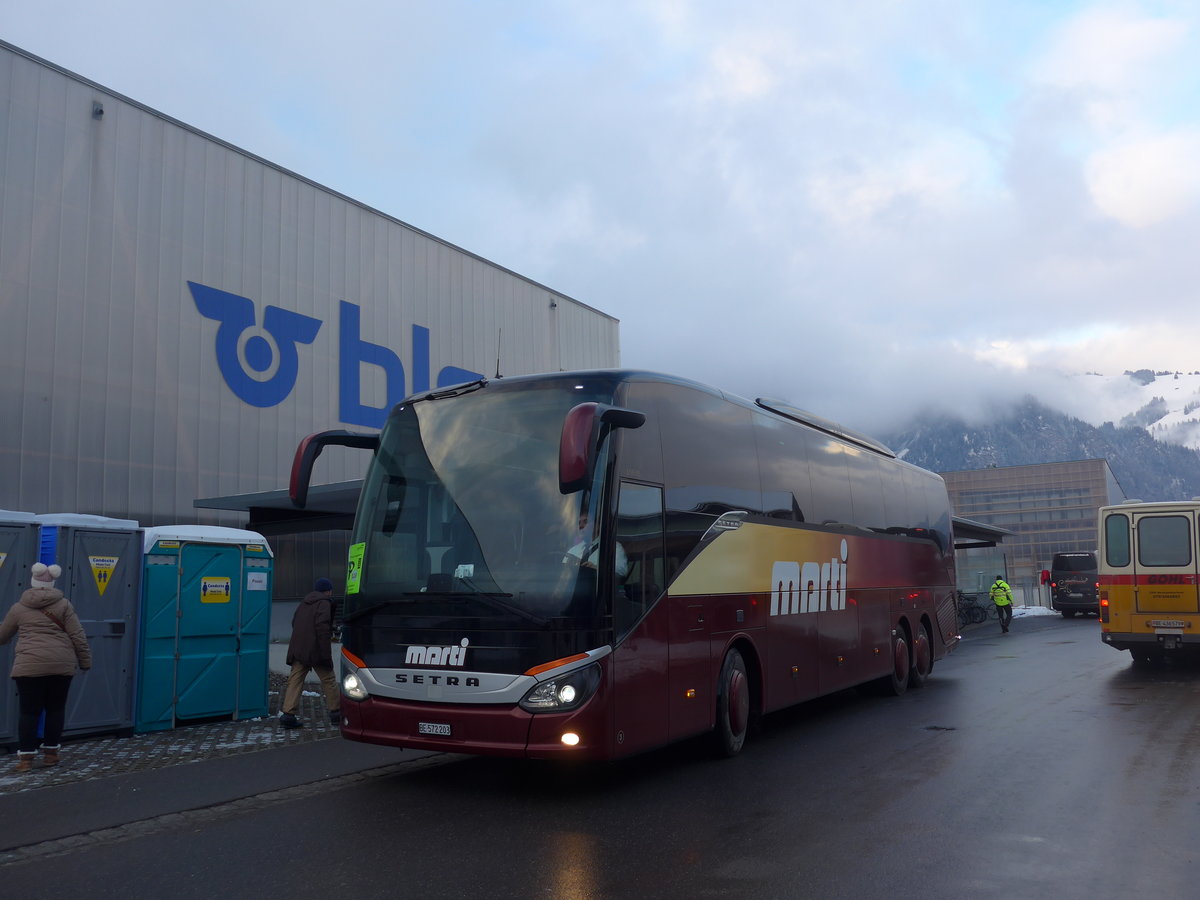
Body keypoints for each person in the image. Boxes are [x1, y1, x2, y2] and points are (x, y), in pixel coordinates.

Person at [0, 562, 92, 773]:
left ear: (32, 582)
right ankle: (50, 755)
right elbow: (78, 635)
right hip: (61, 665)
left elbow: (3, 636)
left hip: (28, 667)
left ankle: (26, 759)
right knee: (55, 710)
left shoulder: (18, 608)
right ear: (52, 583)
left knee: (29, 712)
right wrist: (85, 661)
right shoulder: (64, 605)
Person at [279, 577, 341, 729]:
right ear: (328, 591)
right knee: (329, 680)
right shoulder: (324, 603)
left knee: (295, 680)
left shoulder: (304, 603)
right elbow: (322, 628)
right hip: (316, 651)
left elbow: (295, 623)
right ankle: (336, 713)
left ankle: (288, 714)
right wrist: (326, 655)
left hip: (299, 649)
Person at [564, 513, 628, 578]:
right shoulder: (572, 551)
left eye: (585, 522)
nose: (581, 526)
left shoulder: (613, 547)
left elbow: (621, 571)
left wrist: (595, 569)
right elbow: (562, 575)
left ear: (597, 526)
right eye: (578, 523)